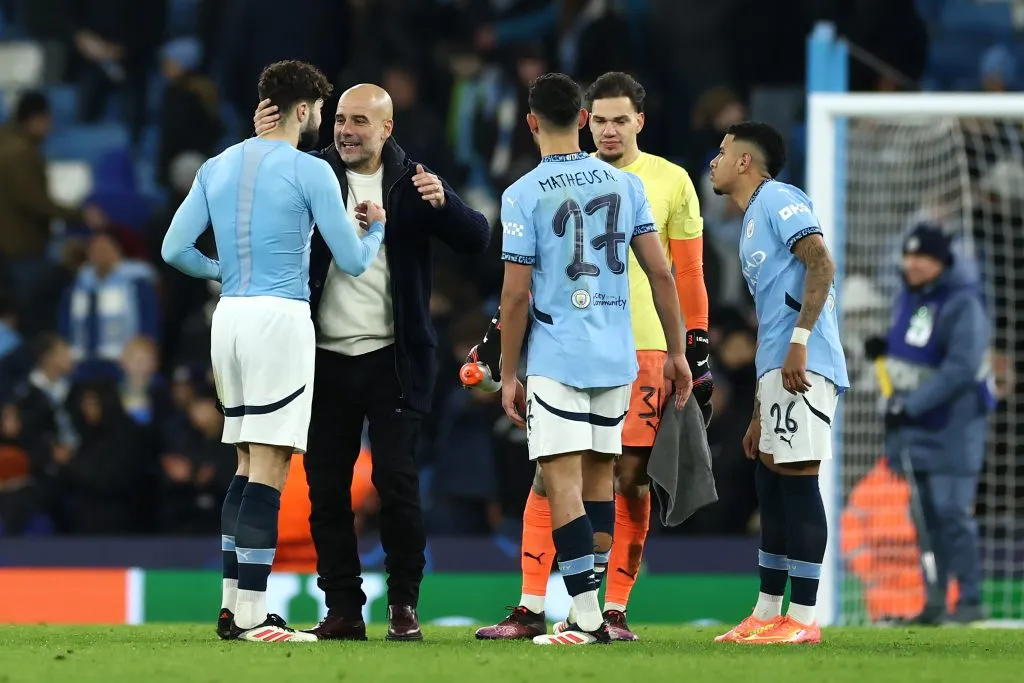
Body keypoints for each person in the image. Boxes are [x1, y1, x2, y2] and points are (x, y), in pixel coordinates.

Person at [474, 71, 712, 642]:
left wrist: (509, 373)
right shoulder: (625, 186)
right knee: (603, 480)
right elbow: (663, 271)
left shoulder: (523, 193)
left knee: (558, 481)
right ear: (583, 120)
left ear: (531, 122)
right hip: (620, 354)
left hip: (559, 355)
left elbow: (513, 294)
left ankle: (581, 613)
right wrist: (680, 351)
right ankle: (598, 611)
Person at [252, 84, 491, 641]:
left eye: (360, 120)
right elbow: (255, 198)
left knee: (397, 483)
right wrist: (264, 146)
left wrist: (446, 203)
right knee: (327, 489)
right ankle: (342, 608)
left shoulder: (413, 182)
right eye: (339, 119)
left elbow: (477, 238)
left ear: (387, 129)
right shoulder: (308, 172)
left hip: (395, 360)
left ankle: (403, 604)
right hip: (323, 358)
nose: (346, 130)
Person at [162, 60, 387, 643]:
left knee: (242, 461)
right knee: (270, 463)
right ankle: (257, 615)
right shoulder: (311, 171)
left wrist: (224, 273)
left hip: (228, 317)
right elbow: (355, 261)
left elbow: (173, 248)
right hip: (279, 319)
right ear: (308, 109)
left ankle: (234, 606)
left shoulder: (218, 164)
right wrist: (376, 226)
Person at [708, 122, 848, 645]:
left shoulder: (778, 198)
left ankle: (805, 618)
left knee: (798, 480)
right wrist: (756, 412)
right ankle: (768, 610)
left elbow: (821, 262)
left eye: (722, 152)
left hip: (802, 362)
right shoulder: (749, 221)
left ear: (746, 161)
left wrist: (801, 341)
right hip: (777, 366)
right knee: (770, 483)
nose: (714, 161)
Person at [864, 223, 993, 625]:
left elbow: (961, 369)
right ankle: (935, 602)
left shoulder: (963, 303)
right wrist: (886, 345)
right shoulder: (909, 297)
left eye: (923, 257)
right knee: (925, 519)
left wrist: (913, 404)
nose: (914, 263)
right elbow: (917, 349)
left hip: (954, 428)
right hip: (915, 428)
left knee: (953, 513)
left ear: (941, 262)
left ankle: (970, 600)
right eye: (910, 255)